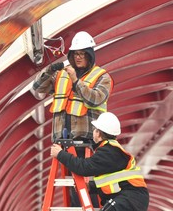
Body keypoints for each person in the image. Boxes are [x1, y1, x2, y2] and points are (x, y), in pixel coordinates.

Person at [33, 31, 113, 206]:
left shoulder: (102, 77)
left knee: (86, 180)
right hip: (63, 139)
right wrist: (49, 70)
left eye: (83, 54)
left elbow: (95, 98)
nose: (79, 58)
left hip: (87, 138)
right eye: (76, 54)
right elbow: (37, 89)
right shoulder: (61, 75)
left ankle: (89, 207)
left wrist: (76, 81)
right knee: (74, 182)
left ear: (90, 55)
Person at [50, 112, 150, 211]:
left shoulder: (108, 151)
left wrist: (60, 154)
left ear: (98, 133)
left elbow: (84, 167)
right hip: (132, 197)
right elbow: (112, 180)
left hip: (129, 198)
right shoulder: (111, 149)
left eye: (95, 130)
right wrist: (91, 187)